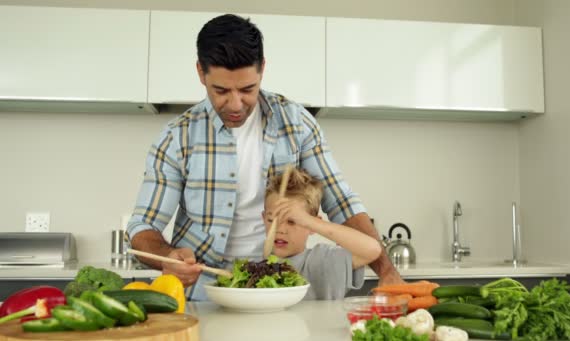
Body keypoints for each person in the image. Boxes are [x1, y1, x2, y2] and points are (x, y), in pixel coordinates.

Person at [126, 13, 403, 301]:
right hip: (204, 295)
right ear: (200, 73)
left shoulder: (296, 122)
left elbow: (341, 202)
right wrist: (167, 256)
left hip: (279, 292)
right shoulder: (177, 137)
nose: (235, 104)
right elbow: (143, 226)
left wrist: (387, 271)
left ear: (262, 70)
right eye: (221, 90)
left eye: (247, 89)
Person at [263, 168, 382, 299]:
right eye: (272, 220)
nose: (280, 229)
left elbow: (373, 249)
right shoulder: (253, 261)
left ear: (312, 225)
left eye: (292, 221)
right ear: (263, 219)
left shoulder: (323, 259)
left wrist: (310, 221)